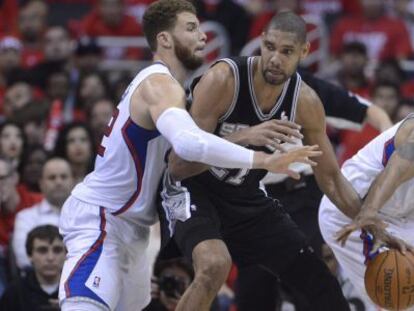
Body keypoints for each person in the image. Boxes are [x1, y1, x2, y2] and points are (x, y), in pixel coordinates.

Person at [58, 1, 320, 311]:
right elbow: (188, 144)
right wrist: (261, 159)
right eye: (191, 28)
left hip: (134, 230)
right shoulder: (159, 84)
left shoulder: (175, 89)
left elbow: (184, 152)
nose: (204, 36)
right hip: (103, 219)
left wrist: (242, 137)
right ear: (165, 39)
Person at [159, 11, 403, 311]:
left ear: (304, 51)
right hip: (193, 190)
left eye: (286, 51)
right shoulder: (223, 79)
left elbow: (331, 179)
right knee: (214, 265)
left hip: (245, 198)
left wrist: (369, 220)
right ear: (261, 42)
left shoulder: (306, 102)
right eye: (270, 47)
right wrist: (246, 136)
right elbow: (179, 165)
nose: (275, 58)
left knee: (321, 283)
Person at [319, 113, 414, 309]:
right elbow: (396, 169)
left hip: (404, 213)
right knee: (399, 299)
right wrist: (369, 212)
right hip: (353, 210)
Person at [12, 157, 74, 269]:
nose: (58, 182)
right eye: (52, 177)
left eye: (63, 177)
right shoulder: (25, 217)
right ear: (41, 183)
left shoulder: (87, 216)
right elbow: (24, 258)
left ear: (72, 181)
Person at [0, 225, 66, 311]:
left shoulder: (78, 291)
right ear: (30, 255)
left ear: (66, 254)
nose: (50, 258)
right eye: (42, 250)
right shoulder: (14, 293)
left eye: (57, 250)